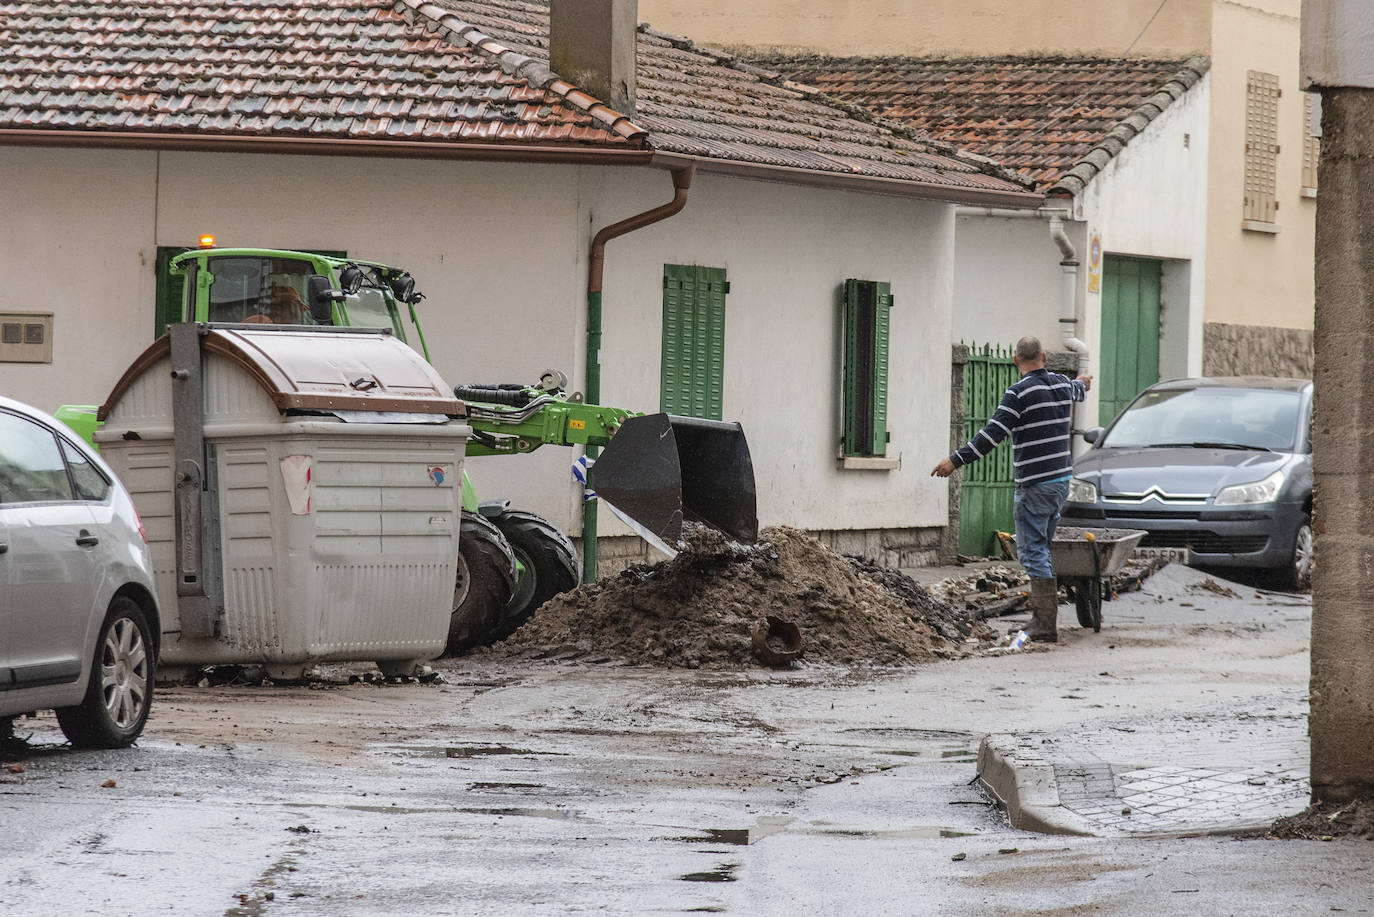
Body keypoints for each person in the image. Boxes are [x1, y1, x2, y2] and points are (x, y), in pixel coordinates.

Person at [931, 336, 1092, 643]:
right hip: (1060, 482)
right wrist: (1083, 382)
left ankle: (1044, 624)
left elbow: (991, 436)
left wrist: (954, 461)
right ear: (1044, 356)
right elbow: (1079, 389)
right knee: (1042, 548)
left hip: (1035, 485)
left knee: (1033, 552)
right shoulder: (1060, 384)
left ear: (1016, 361)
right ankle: (1044, 620)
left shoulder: (1018, 394)